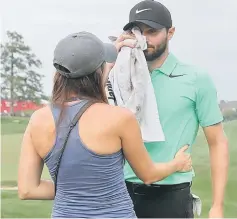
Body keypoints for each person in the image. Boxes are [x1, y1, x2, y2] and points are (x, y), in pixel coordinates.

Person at [17, 31, 192, 218]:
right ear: (99, 72)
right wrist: (177, 164)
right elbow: (148, 174)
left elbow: (27, 190)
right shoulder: (120, 118)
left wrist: (77, 192)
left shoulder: (38, 120)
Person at [115, 0, 229, 218]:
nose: (145, 39)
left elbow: (217, 142)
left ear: (171, 32)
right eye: (138, 32)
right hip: (120, 193)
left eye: (153, 31)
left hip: (170, 196)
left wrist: (217, 206)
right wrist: (113, 61)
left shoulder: (196, 79)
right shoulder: (116, 76)